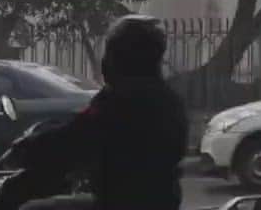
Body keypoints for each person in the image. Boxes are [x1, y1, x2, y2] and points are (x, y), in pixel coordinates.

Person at [20, 15, 189, 210]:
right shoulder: (166, 99)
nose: (105, 59)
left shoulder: (122, 101)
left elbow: (76, 137)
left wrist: (32, 146)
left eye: (110, 51)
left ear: (124, 56)